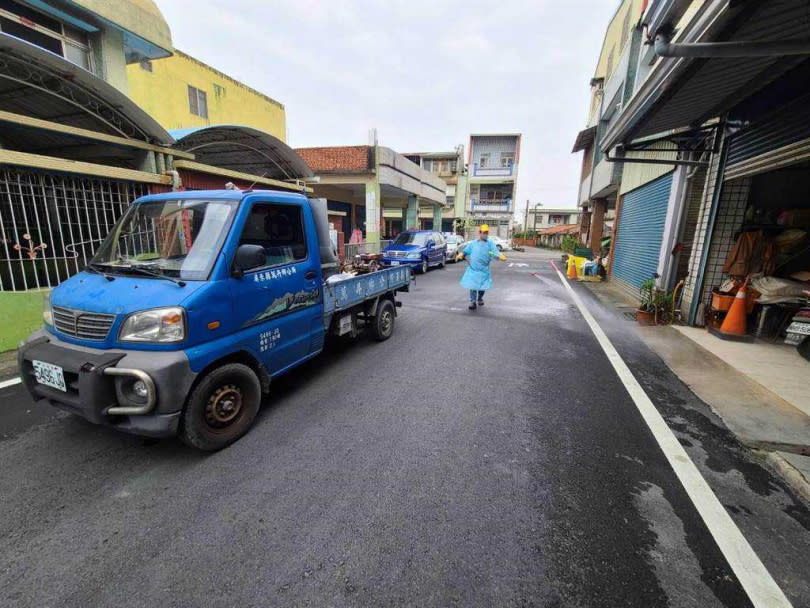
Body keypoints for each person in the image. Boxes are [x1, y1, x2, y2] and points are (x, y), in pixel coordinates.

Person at [456, 224, 506, 310]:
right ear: (480, 233)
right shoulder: (473, 243)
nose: (486, 234)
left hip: (484, 270)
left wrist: (500, 255)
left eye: (487, 232)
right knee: (473, 286)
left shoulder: (490, 244)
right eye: (484, 232)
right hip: (473, 269)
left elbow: (495, 252)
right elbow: (466, 251)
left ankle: (480, 298)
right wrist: (461, 254)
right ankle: (473, 302)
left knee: (482, 287)